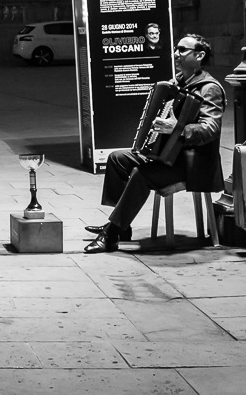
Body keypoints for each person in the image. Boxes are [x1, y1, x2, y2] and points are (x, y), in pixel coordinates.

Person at [85, 33, 226, 253]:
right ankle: (122, 225)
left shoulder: (210, 88)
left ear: (199, 55)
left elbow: (211, 129)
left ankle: (111, 233)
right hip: (167, 155)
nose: (176, 54)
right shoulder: (176, 82)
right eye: (176, 49)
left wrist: (177, 128)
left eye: (182, 50)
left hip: (191, 164)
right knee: (117, 159)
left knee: (142, 173)